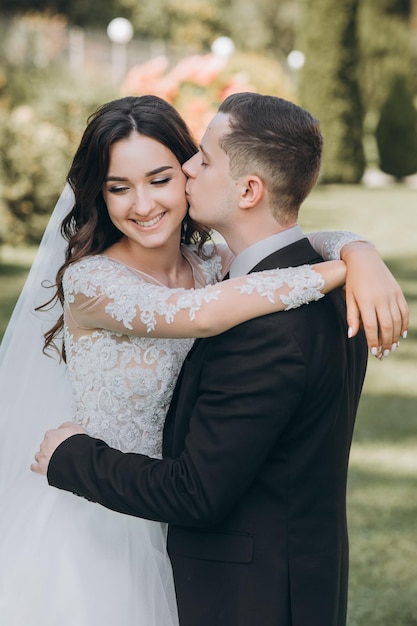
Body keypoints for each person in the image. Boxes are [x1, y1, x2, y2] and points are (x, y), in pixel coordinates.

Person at [30, 93, 408, 626]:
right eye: (118, 187)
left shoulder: (219, 272)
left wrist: (356, 251)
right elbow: (195, 313)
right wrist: (350, 261)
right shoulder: (99, 283)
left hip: (207, 551)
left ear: (247, 189)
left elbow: (199, 486)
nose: (147, 200)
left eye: (186, 167)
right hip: (112, 529)